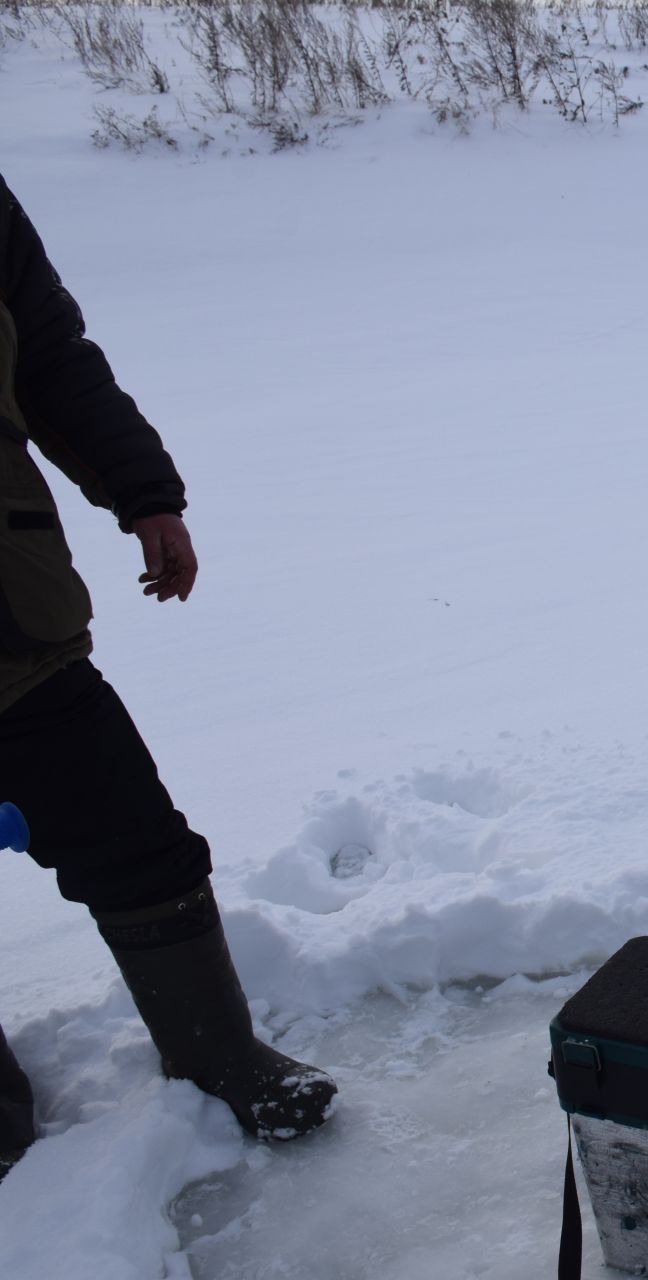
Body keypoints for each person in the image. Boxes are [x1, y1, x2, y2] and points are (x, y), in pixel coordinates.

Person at [0, 173, 336, 1183]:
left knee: (138, 839)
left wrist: (144, 491)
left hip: (15, 623)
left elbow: (53, 360)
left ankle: (220, 1057)